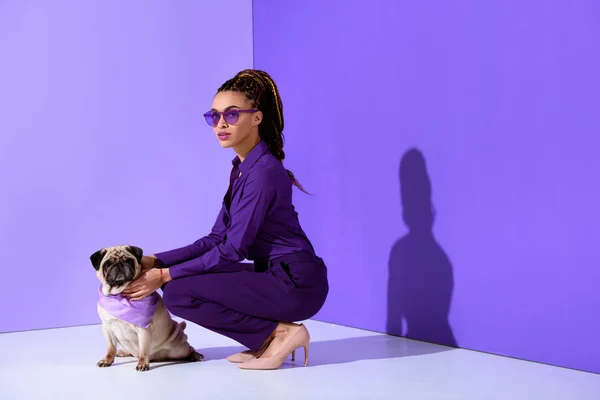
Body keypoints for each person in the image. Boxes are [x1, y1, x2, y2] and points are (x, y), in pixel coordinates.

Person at [121, 69, 329, 370]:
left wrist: (165, 275)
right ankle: (268, 339)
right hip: (276, 277)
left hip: (295, 283)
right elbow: (215, 238)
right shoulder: (242, 168)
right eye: (214, 116)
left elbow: (233, 250)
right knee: (178, 286)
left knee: (178, 290)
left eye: (232, 115)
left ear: (256, 117)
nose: (220, 123)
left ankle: (280, 334)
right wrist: (156, 261)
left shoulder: (264, 174)